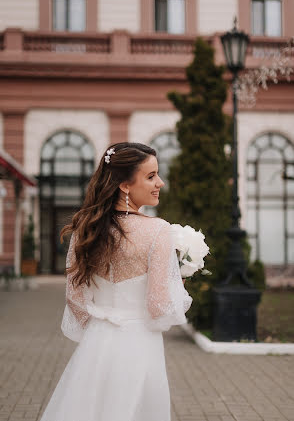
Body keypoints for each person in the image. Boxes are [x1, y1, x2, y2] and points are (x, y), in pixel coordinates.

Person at [39, 141, 193, 421]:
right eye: (151, 176)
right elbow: (159, 308)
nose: (160, 182)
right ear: (124, 184)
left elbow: (75, 298)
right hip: (140, 345)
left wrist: (100, 329)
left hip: (96, 346)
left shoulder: (85, 229)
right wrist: (177, 286)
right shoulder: (158, 230)